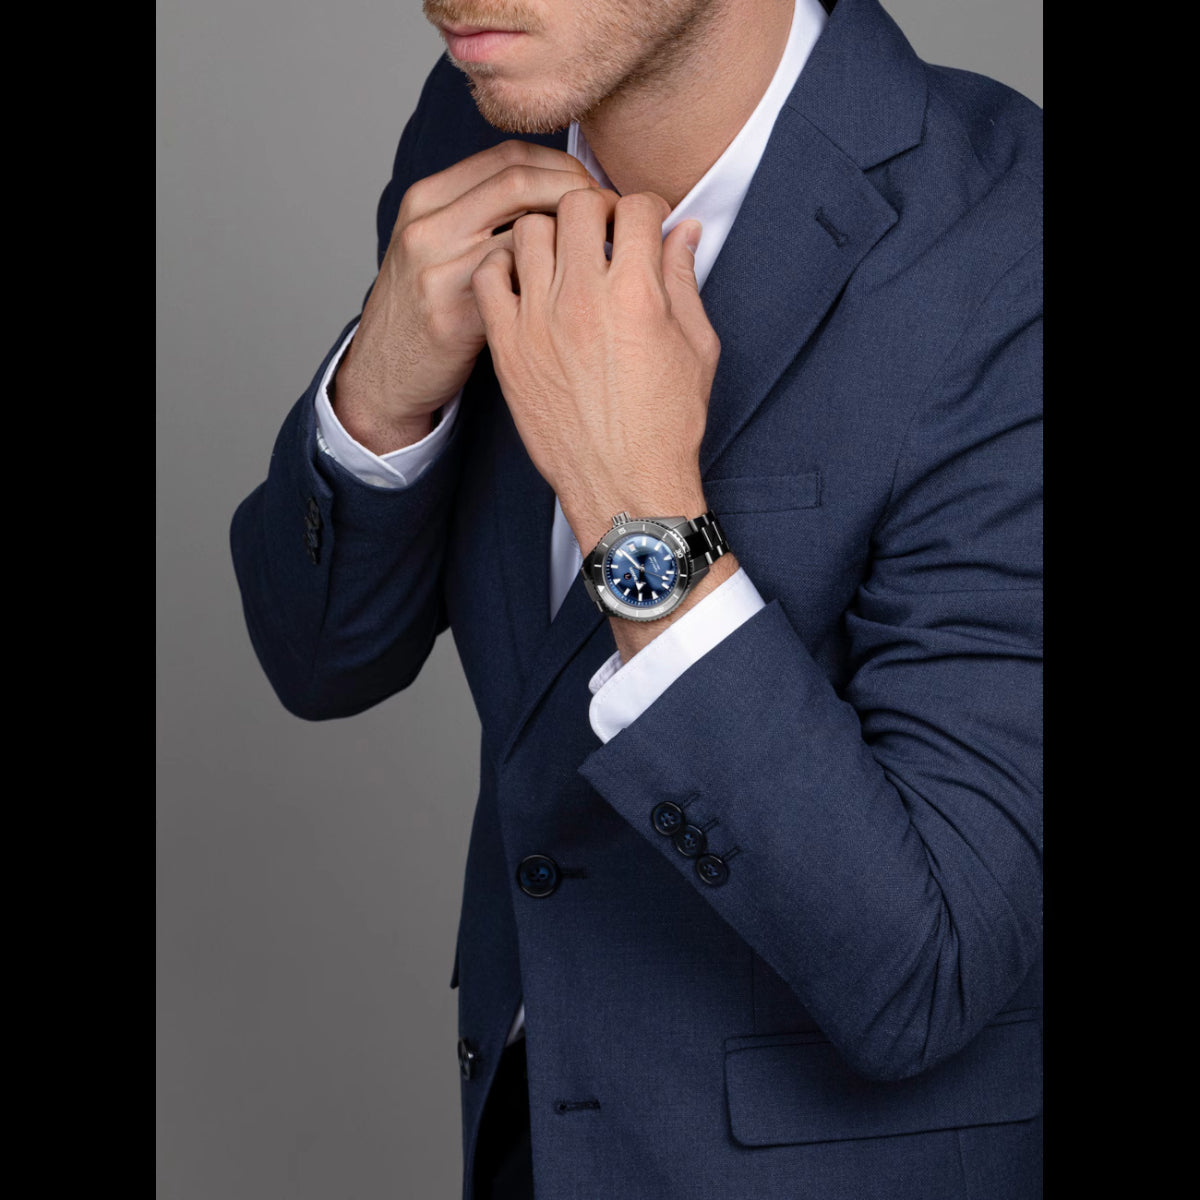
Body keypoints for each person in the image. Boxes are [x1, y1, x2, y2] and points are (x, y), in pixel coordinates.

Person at [231, 0, 1043, 1196]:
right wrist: (381, 393)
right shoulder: (476, 126)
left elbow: (925, 973)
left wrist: (636, 517)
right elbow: (323, 661)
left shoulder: (1005, 236)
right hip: (538, 1140)